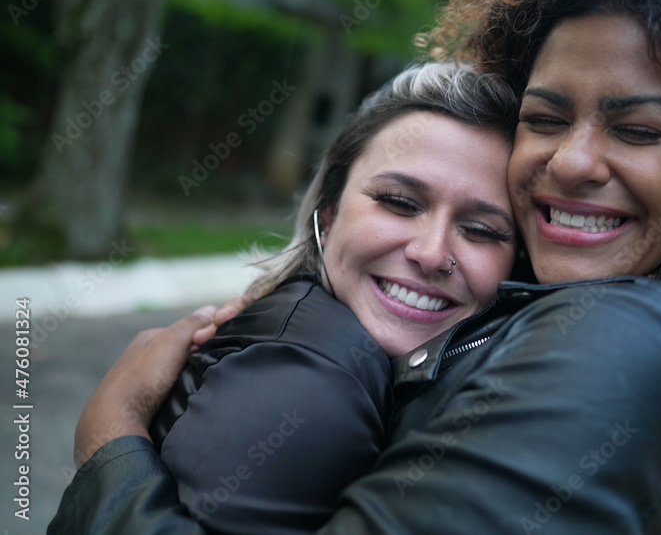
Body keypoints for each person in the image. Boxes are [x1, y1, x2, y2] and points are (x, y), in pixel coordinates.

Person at [49, 0, 661, 532]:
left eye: (637, 129)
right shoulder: (624, 301)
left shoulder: (624, 346)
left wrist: (111, 436)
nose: (570, 161)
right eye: (546, 116)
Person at [146, 62, 519, 533]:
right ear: (329, 210)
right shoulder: (312, 381)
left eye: (481, 230)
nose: (431, 253)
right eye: (400, 202)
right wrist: (110, 439)